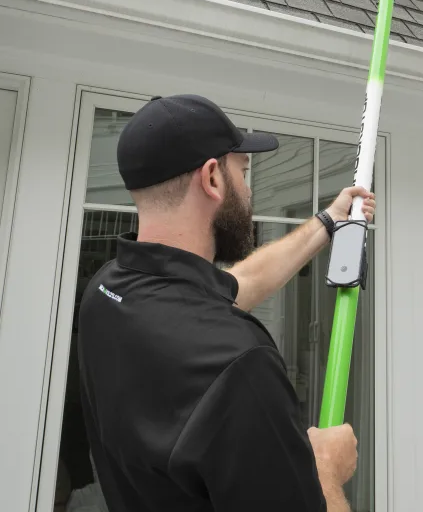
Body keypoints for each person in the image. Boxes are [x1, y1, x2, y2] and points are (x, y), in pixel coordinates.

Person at [78, 94, 376, 512]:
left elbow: (240, 283)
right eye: (244, 172)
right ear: (213, 178)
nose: (249, 192)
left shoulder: (107, 292)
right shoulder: (239, 362)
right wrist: (324, 469)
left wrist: (328, 221)